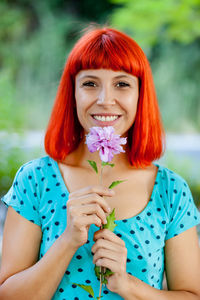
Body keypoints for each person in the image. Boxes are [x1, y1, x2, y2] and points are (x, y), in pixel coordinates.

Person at [0, 26, 200, 300]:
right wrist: (68, 241)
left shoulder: (171, 190)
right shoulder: (35, 180)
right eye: (90, 83)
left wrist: (128, 286)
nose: (106, 100)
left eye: (122, 84)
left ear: (141, 95)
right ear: (72, 93)